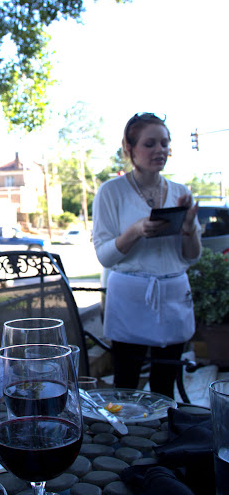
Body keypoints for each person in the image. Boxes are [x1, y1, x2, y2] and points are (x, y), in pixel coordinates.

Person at [92, 113, 201, 397]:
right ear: (130, 149)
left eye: (164, 143)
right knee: (126, 385)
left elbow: (191, 257)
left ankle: (165, 424)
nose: (159, 150)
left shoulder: (180, 192)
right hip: (131, 298)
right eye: (149, 144)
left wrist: (188, 227)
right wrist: (136, 230)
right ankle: (128, 427)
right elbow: (105, 257)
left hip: (174, 295)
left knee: (165, 384)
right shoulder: (111, 192)